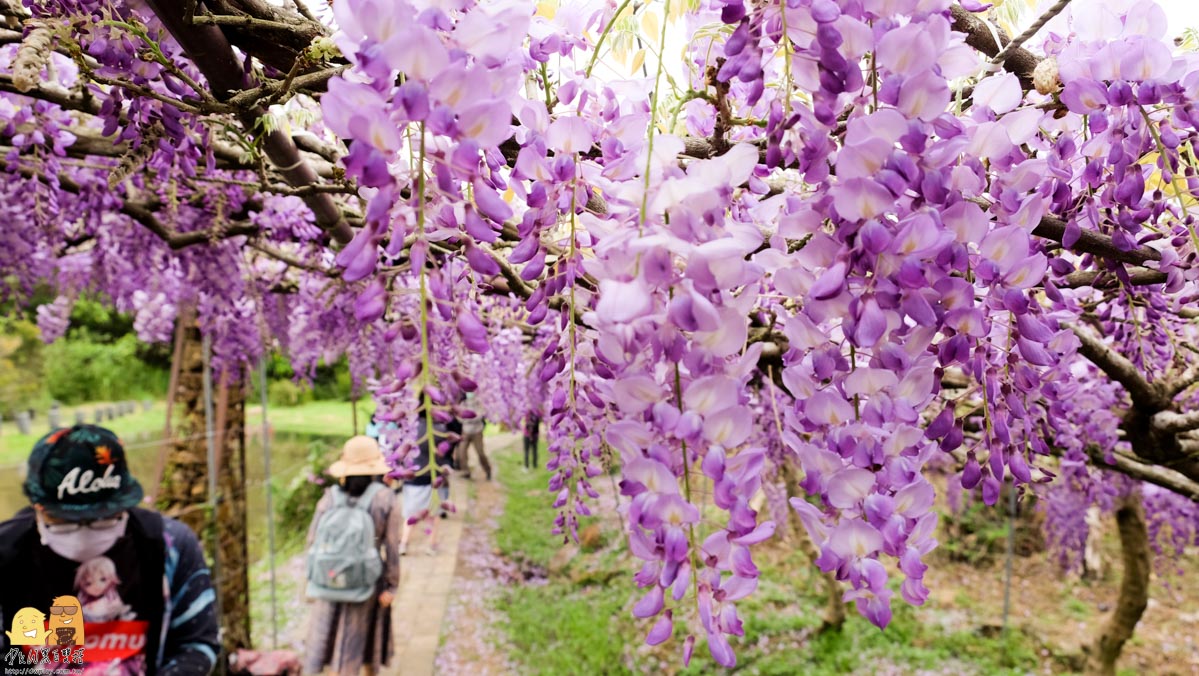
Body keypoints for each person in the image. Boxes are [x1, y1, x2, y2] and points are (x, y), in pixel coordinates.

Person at [0, 424, 219, 675]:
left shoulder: (169, 546)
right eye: (63, 523)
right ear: (37, 507)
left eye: (104, 520)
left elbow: (197, 642)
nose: (84, 535)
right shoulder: (7, 553)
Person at [303, 436, 400, 676]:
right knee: (363, 640)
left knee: (328, 636)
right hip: (366, 583)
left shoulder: (330, 497)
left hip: (330, 577)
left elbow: (312, 540)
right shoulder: (385, 498)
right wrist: (392, 586)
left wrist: (312, 578)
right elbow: (392, 547)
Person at [400, 416, 452, 555]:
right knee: (433, 514)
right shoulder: (439, 428)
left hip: (413, 477)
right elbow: (444, 452)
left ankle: (404, 543)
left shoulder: (408, 426)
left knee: (411, 513)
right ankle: (432, 545)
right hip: (431, 476)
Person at [456, 393, 491, 481]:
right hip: (466, 431)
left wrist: (467, 418)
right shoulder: (463, 404)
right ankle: (466, 472)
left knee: (480, 453)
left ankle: (488, 470)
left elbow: (480, 415)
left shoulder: (478, 402)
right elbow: (459, 417)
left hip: (477, 431)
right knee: (461, 452)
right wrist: (468, 417)